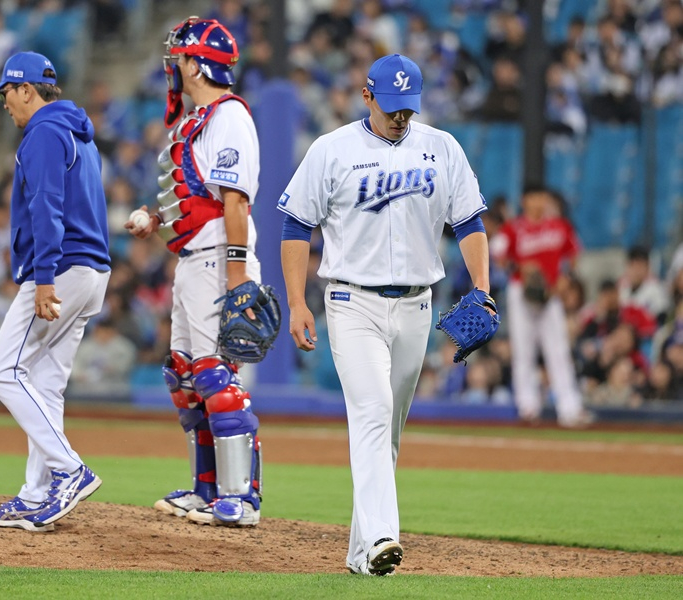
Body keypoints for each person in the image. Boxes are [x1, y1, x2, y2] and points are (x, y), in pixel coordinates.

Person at [278, 54, 493, 575]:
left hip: (419, 304)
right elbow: (294, 228)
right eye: (392, 107)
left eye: (409, 108)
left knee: (388, 429)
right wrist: (296, 301)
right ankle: (382, 537)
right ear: (368, 96)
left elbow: (469, 224)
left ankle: (359, 553)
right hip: (353, 303)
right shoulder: (332, 150)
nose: (401, 117)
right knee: (372, 411)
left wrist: (483, 288)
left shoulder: (442, 148)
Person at [125, 17, 264, 527]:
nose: (174, 65)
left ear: (197, 64)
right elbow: (199, 196)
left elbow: (235, 202)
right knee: (182, 375)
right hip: (190, 260)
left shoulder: (229, 116)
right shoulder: (194, 120)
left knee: (214, 375)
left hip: (217, 261)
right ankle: (207, 490)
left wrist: (235, 276)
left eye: (180, 57)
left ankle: (240, 496)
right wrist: (157, 217)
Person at [0, 52, 112, 532]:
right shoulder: (76, 131)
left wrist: (45, 277)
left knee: (4, 372)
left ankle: (69, 469)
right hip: (92, 270)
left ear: (28, 90)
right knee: (47, 383)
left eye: (7, 93)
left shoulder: (44, 132)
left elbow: (46, 206)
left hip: (61, 270)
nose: (5, 103)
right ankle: (37, 495)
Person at [492, 186, 593, 428]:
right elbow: (498, 254)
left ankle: (570, 408)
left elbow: (575, 253)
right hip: (521, 293)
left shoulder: (559, 226)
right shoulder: (514, 228)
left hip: (551, 294)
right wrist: (518, 268)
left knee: (558, 351)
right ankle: (527, 407)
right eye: (535, 196)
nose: (540, 201)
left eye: (543, 197)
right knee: (523, 350)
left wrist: (566, 277)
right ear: (525, 199)